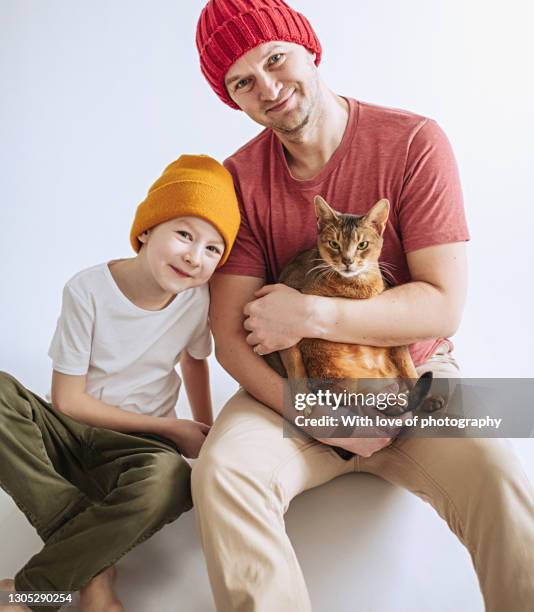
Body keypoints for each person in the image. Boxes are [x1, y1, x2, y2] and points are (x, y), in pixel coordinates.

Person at [192, 1, 534, 611]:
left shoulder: (413, 141)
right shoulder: (238, 179)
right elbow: (230, 336)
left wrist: (312, 314)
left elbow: (441, 305)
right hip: (294, 386)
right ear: (232, 99)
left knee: (496, 469)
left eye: (275, 59)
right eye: (243, 81)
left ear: (309, 49)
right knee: (223, 472)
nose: (268, 88)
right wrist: (311, 412)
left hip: (410, 378)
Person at [0, 154, 240, 612]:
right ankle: (93, 571)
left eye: (213, 249)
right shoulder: (87, 290)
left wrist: (202, 433)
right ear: (147, 230)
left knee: (170, 479)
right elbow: (68, 401)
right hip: (69, 431)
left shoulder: (195, 300)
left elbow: (195, 362)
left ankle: (32, 593)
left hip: (141, 448)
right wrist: (175, 427)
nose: (195, 256)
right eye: (185, 234)